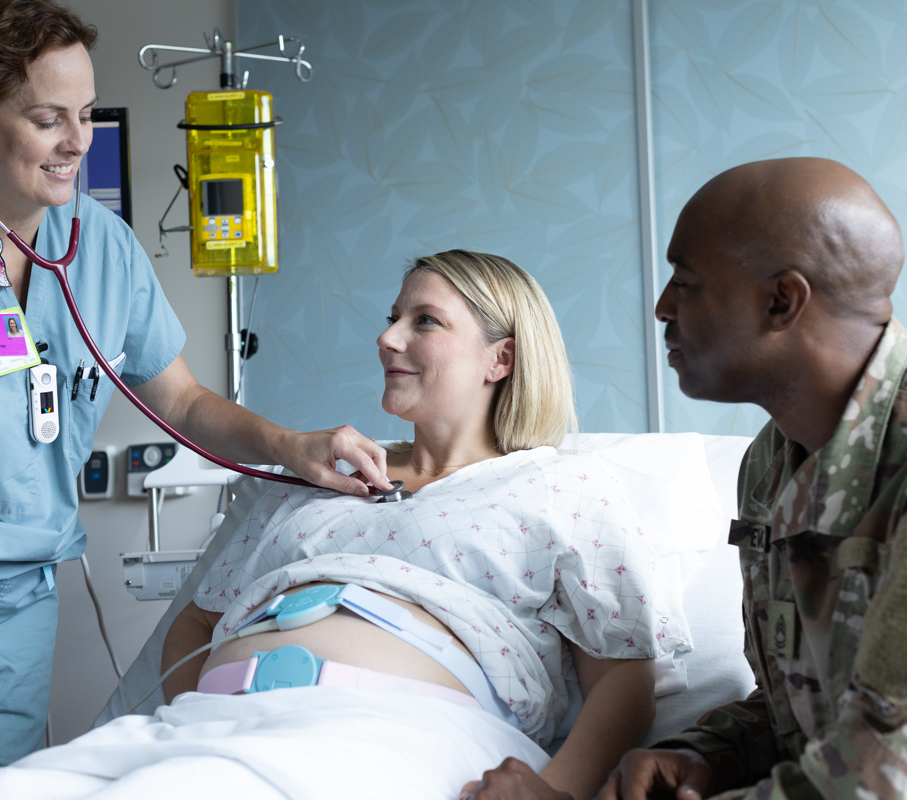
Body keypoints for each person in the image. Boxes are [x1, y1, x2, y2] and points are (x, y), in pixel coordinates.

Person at [0, 0, 391, 791]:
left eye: (87, 114)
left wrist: (293, 448)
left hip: (21, 592)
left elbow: (182, 399)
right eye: (47, 118)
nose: (78, 142)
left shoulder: (98, 243)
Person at [160, 250, 688, 800]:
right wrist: (185, 720)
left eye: (425, 321)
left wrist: (553, 791)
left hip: (404, 741)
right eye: (391, 318)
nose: (388, 339)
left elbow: (623, 674)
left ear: (500, 359)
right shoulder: (323, 471)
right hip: (207, 734)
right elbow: (197, 623)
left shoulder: (562, 486)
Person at [588, 157, 907, 800]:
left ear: (781, 300)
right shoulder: (769, 462)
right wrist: (706, 754)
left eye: (686, 281)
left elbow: (879, 777)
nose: (660, 307)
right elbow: (804, 705)